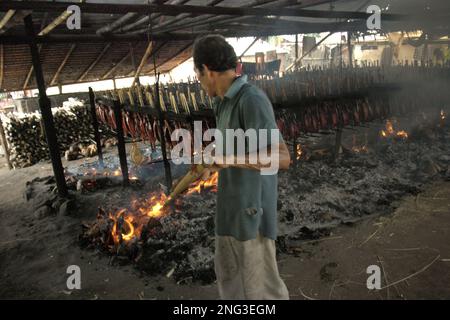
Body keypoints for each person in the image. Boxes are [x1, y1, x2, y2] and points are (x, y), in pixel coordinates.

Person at [192, 35, 291, 300]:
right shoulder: (222, 102)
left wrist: (227, 160)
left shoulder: (251, 100)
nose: (200, 83)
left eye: (198, 76)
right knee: (232, 284)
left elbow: (282, 158)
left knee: (260, 290)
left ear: (208, 71)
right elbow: (235, 151)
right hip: (230, 211)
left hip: (251, 216)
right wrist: (211, 162)